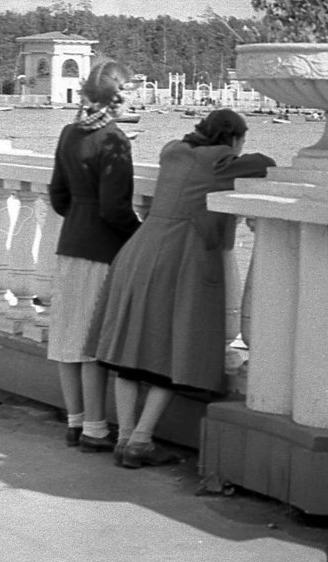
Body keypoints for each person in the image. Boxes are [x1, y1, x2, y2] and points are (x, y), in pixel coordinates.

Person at [90, 109, 275, 468]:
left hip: (141, 250)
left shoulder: (172, 150)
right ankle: (141, 441)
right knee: (172, 348)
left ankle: (126, 437)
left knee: (131, 349)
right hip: (181, 256)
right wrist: (237, 152)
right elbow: (265, 164)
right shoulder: (221, 160)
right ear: (234, 139)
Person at [47, 61, 141, 454]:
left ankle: (74, 423)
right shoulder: (114, 139)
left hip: (71, 242)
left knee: (68, 338)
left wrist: (79, 217)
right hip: (101, 247)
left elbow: (58, 196)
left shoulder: (70, 133)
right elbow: (115, 209)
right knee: (91, 342)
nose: (136, 94)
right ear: (119, 94)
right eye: (133, 88)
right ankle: (96, 430)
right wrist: (140, 236)